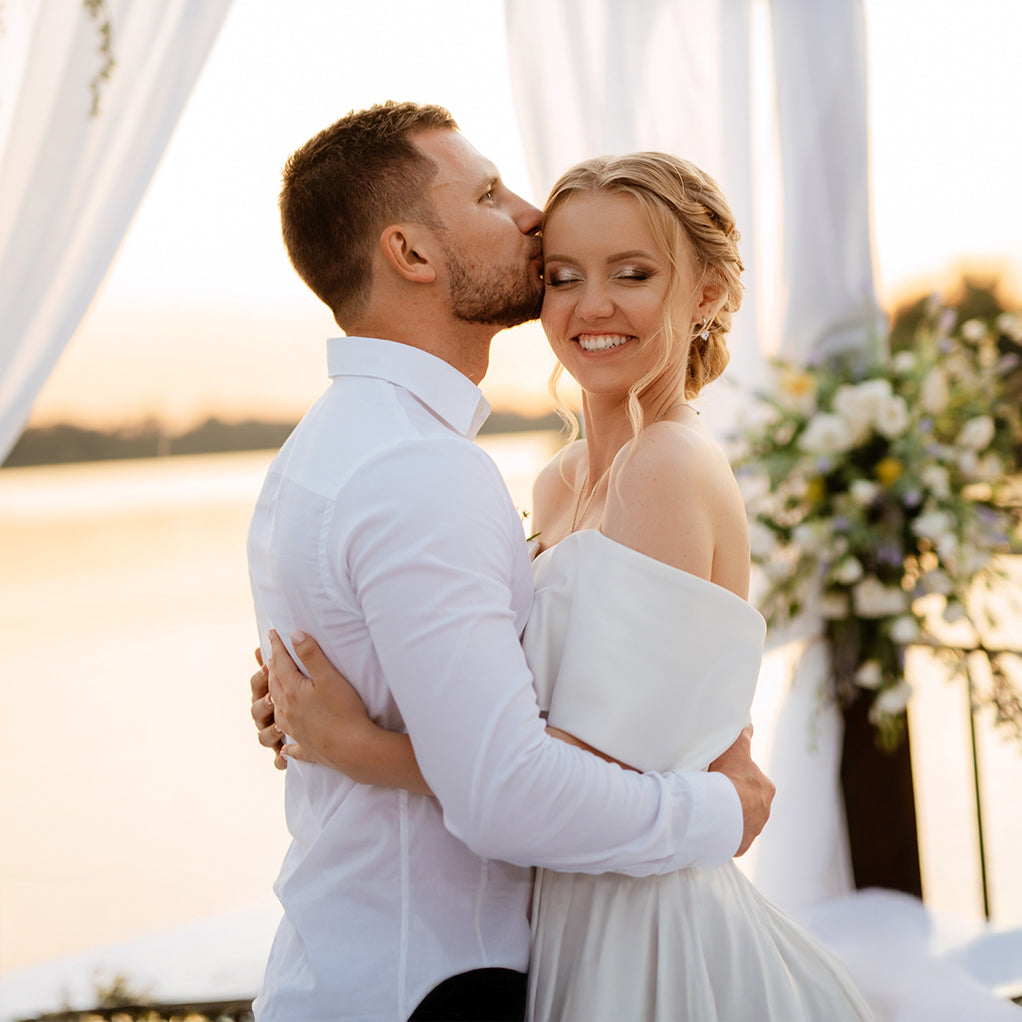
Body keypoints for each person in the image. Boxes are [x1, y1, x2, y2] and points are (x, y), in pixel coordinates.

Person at [254, 149, 876, 1020]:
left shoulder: (668, 465)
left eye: (633, 273)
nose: (592, 307)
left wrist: (355, 747)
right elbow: (509, 706)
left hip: (647, 930)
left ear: (704, 295)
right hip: (562, 918)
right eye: (562, 276)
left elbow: (575, 768)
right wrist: (348, 684)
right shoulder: (558, 480)